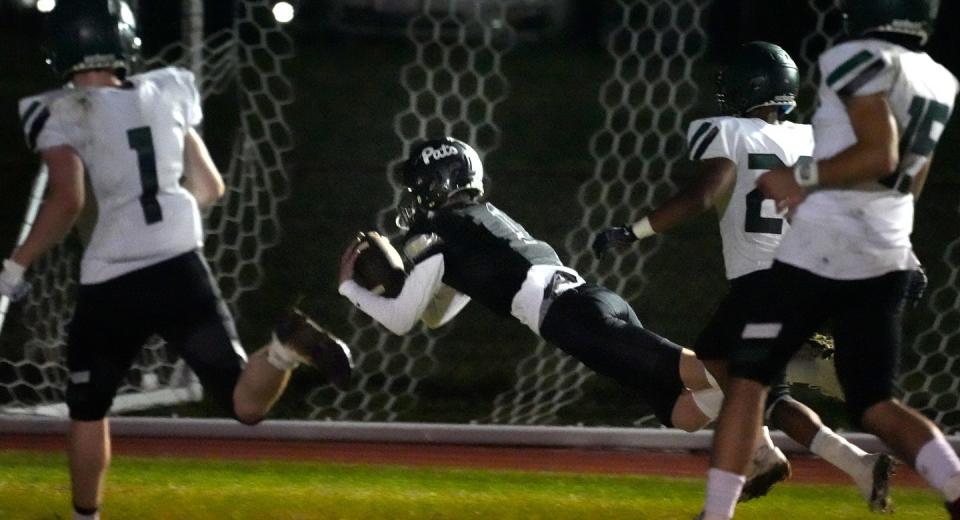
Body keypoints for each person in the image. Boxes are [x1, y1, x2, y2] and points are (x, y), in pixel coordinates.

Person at [0, 2, 352, 519]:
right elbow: (209, 186)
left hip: (112, 280)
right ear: (123, 39)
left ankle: (85, 516)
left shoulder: (61, 109)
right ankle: (281, 350)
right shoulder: (166, 90)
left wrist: (15, 266)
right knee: (242, 403)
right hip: (180, 264)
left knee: (88, 408)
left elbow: (67, 202)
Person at [593, 41, 894, 510]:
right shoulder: (810, 138)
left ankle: (746, 474)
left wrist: (633, 231)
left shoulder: (729, 131)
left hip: (761, 284)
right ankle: (854, 463)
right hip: (810, 281)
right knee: (766, 392)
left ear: (745, 86)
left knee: (712, 370)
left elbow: (703, 193)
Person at [696, 1, 960, 519]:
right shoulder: (940, 79)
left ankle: (716, 513)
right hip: (885, 249)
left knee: (747, 377)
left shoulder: (855, 54)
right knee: (875, 403)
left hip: (822, 250)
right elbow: (911, 175)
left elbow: (879, 151)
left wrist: (800, 179)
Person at [339, 136, 733, 437]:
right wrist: (426, 284)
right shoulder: (476, 227)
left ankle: (771, 374)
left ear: (435, 184)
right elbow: (434, 316)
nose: (413, 197)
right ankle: (759, 448)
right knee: (684, 414)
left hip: (573, 319)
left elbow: (402, 320)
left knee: (711, 372)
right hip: (588, 303)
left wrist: (349, 287)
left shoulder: (439, 231)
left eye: (418, 187)